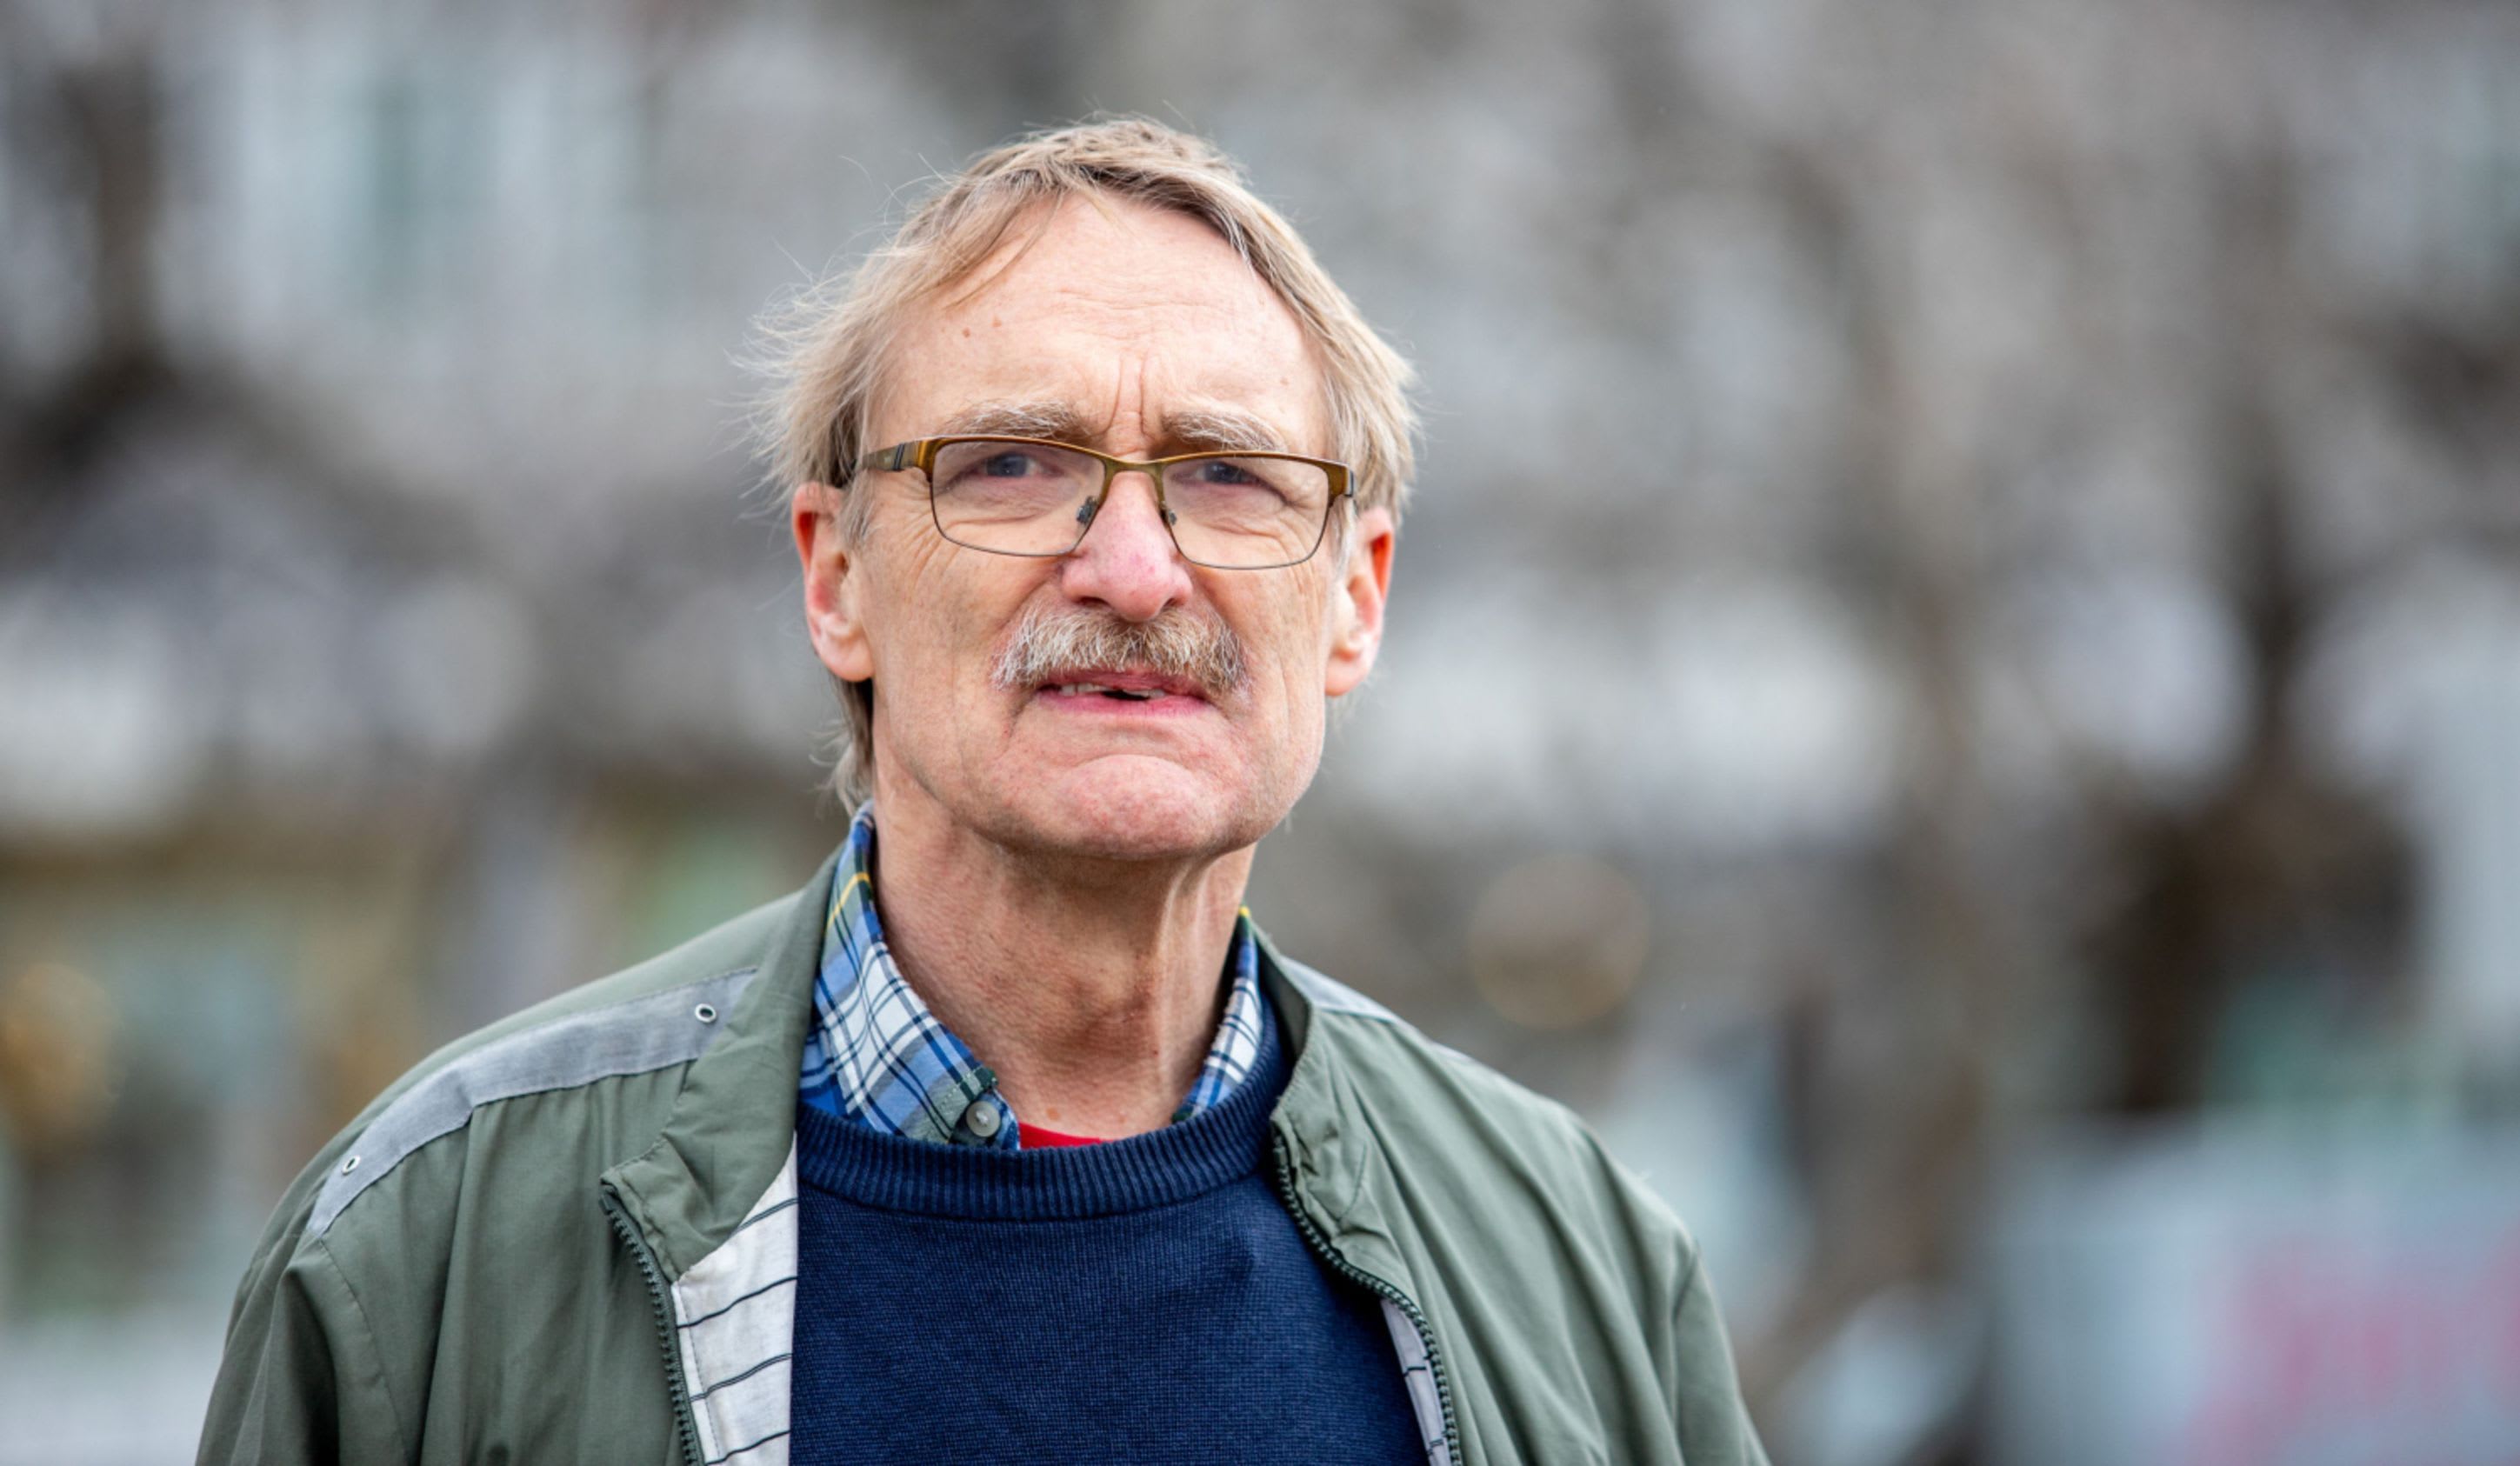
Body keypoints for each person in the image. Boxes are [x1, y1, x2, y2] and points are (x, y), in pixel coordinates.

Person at [198, 118, 1769, 1466]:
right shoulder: (429, 1246)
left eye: (1227, 476)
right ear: (837, 578)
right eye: (1013, 464)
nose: (1134, 568)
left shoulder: (1579, 1265)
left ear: (1353, 597)